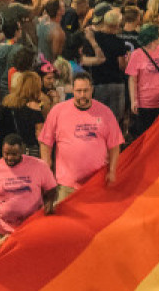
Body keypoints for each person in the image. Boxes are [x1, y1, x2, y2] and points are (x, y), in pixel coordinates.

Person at [39, 72, 124, 200]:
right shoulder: (58, 111)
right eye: (78, 91)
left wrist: (112, 171)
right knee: (66, 219)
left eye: (86, 90)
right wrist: (47, 168)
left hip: (97, 182)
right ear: (72, 90)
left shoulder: (105, 112)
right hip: (66, 185)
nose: (82, 95)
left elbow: (114, 145)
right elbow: (46, 142)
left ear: (92, 90)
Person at [0, 134, 59, 235]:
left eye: (14, 154)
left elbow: (52, 189)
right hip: (4, 231)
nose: (10, 158)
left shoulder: (39, 166)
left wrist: (49, 202)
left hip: (34, 227)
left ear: (22, 150)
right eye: (6, 153)